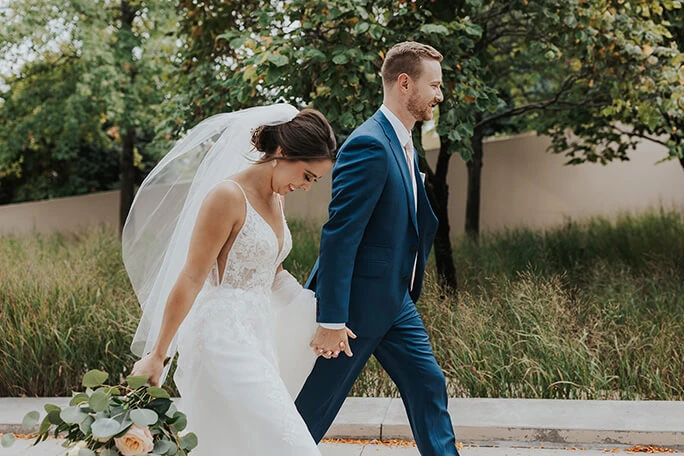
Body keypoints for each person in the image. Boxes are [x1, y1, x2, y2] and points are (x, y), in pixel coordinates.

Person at [123, 105, 342, 455]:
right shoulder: (227, 197)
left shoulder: (275, 199)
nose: (305, 187)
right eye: (307, 176)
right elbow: (192, 277)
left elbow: (271, 274)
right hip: (218, 339)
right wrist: (158, 354)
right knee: (291, 444)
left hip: (256, 337)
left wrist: (322, 314)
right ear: (283, 153)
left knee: (240, 445)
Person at [295, 42, 461, 456]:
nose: (440, 95)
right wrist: (332, 317)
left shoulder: (403, 142)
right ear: (405, 83)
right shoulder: (368, 144)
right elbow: (340, 235)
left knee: (428, 383)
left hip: (395, 301)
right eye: (434, 85)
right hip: (354, 309)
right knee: (315, 406)